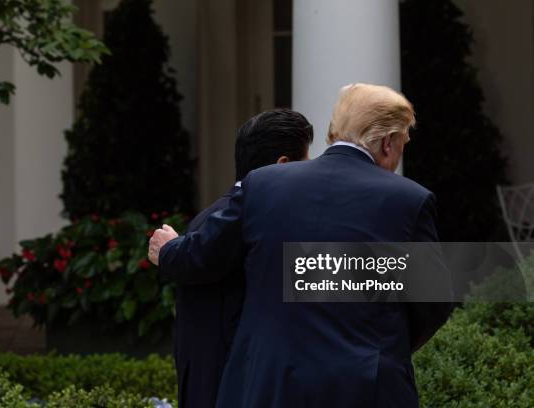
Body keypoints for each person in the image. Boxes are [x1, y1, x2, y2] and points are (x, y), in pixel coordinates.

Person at [149, 83, 453, 408]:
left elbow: (204, 255)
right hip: (366, 385)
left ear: (335, 130)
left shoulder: (263, 183)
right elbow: (433, 303)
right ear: (390, 142)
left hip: (270, 385)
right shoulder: (410, 200)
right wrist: (382, 345)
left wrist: (168, 249)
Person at [170, 109, 313, 408]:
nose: (311, 173)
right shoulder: (255, 223)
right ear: (282, 165)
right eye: (307, 162)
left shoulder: (207, 220)